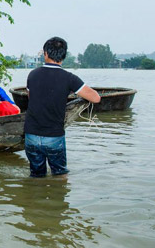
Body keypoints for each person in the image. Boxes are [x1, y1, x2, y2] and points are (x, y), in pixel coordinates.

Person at [24, 37, 101, 177]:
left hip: (31, 135)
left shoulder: (32, 74)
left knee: (36, 175)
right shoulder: (69, 78)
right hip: (54, 136)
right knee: (60, 175)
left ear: (45, 54)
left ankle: (34, 197)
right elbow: (95, 98)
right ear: (63, 56)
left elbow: (31, 98)